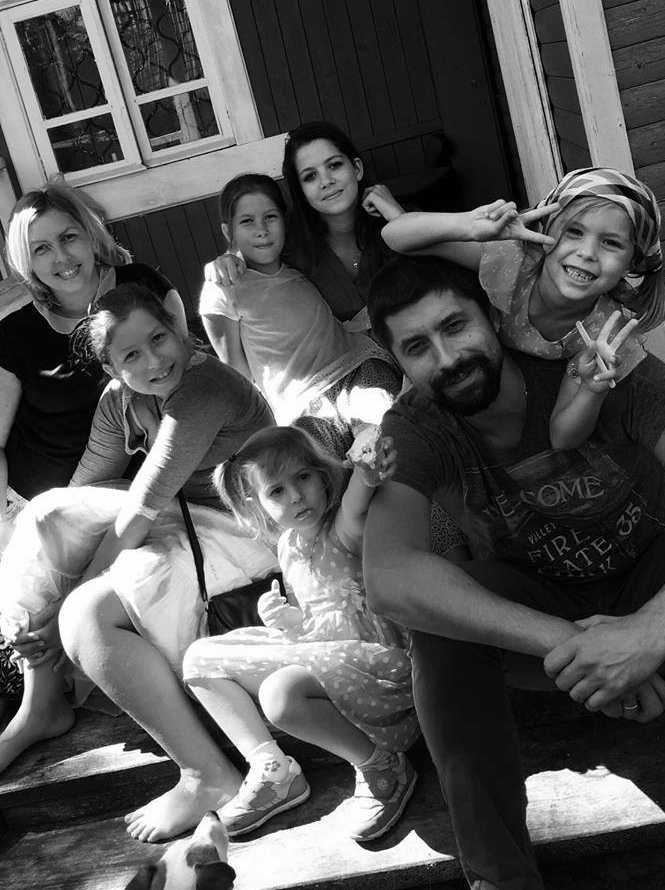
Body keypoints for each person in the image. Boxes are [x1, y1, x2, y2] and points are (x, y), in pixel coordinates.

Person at [363, 254, 665, 890]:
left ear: (493, 318)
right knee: (438, 625)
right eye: (417, 347)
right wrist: (582, 646)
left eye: (456, 327)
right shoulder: (416, 428)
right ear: (399, 364)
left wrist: (647, 633)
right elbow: (389, 577)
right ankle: (500, 879)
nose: (447, 358)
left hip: (652, 578)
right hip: (547, 617)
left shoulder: (600, 364)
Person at [0, 284, 278, 845]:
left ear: (179, 331)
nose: (154, 360)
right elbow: (83, 491)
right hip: (189, 520)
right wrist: (46, 604)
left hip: (250, 531)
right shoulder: (120, 399)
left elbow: (139, 511)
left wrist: (58, 614)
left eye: (159, 338)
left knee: (86, 612)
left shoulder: (203, 387)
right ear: (111, 367)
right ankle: (41, 700)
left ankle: (206, 773)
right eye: (131, 354)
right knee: (49, 513)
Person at [0, 180, 188, 714]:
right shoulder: (14, 334)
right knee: (24, 617)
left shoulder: (141, 289)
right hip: (38, 499)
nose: (61, 258)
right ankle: (37, 701)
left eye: (69, 237)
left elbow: (185, 375)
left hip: (128, 488)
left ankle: (58, 695)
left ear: (91, 234)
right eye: (41, 248)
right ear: (26, 261)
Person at [183, 425, 418, 842]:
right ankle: (273, 771)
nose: (295, 496)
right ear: (256, 504)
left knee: (279, 695)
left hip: (379, 665)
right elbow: (312, 621)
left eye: (303, 477)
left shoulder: (343, 527)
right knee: (198, 659)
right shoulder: (288, 546)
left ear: (323, 476)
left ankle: (382, 765)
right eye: (276, 491)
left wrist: (366, 470)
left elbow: (358, 497)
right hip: (325, 655)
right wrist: (286, 620)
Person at [381, 167, 664, 450]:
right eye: (574, 231)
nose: (587, 253)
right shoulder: (511, 260)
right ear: (546, 229)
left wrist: (591, 389)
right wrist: (470, 226)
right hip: (450, 366)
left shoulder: (605, 333)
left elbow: (562, 438)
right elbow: (395, 236)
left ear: (631, 263)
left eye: (611, 243)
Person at [200, 173, 401, 438]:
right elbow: (237, 372)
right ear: (229, 232)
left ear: (285, 221)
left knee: (383, 432)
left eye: (270, 217)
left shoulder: (299, 262)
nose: (261, 230)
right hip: (301, 402)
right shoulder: (224, 287)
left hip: (356, 367)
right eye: (247, 221)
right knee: (320, 458)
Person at [206, 121, 405, 331]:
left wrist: (400, 218)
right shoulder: (290, 242)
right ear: (300, 190)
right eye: (310, 176)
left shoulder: (394, 219)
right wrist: (229, 258)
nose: (326, 181)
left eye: (334, 165)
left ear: (357, 168)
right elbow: (254, 251)